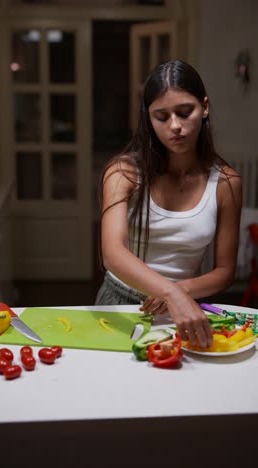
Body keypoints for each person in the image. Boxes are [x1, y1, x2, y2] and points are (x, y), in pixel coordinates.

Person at [95, 59, 242, 348]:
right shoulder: (123, 172)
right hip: (120, 302)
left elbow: (225, 272)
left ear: (205, 107)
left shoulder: (226, 182)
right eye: (161, 117)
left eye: (185, 112)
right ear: (148, 119)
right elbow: (112, 253)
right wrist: (169, 293)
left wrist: (180, 291)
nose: (175, 126)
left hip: (186, 307)